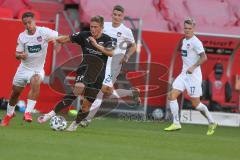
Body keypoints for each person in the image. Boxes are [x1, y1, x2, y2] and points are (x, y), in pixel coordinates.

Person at [37, 5, 139, 126]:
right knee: (102, 90)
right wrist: (58, 41)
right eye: (115, 14)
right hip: (96, 61)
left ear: (123, 17)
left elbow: (133, 46)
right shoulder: (103, 25)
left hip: (113, 63)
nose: (116, 17)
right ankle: (130, 93)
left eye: (119, 15)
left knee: (103, 90)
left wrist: (126, 56)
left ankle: (87, 119)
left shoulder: (126, 31)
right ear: (111, 14)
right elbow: (76, 37)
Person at [41, 15, 114, 131]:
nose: (93, 29)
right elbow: (66, 38)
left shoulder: (107, 39)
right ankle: (50, 114)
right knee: (78, 88)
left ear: (101, 27)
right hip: (84, 69)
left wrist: (96, 45)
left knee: (86, 107)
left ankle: (74, 125)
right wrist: (57, 41)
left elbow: (111, 53)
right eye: (91, 27)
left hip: (98, 75)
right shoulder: (84, 35)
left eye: (96, 27)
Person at [1, 12, 58, 126]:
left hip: (37, 69)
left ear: (34, 21)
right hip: (24, 69)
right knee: (15, 94)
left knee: (36, 80)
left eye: (30, 22)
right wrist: (21, 56)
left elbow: (57, 36)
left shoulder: (43, 32)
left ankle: (28, 112)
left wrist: (56, 42)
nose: (28, 25)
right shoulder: (22, 36)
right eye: (25, 23)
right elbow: (17, 54)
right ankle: (9, 114)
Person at [164, 18, 217, 135]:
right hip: (184, 74)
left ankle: (212, 122)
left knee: (196, 105)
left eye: (190, 28)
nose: (187, 30)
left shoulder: (196, 42)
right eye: (185, 28)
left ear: (194, 29)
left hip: (194, 77)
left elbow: (204, 57)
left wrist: (193, 66)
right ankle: (176, 123)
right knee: (172, 95)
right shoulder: (184, 40)